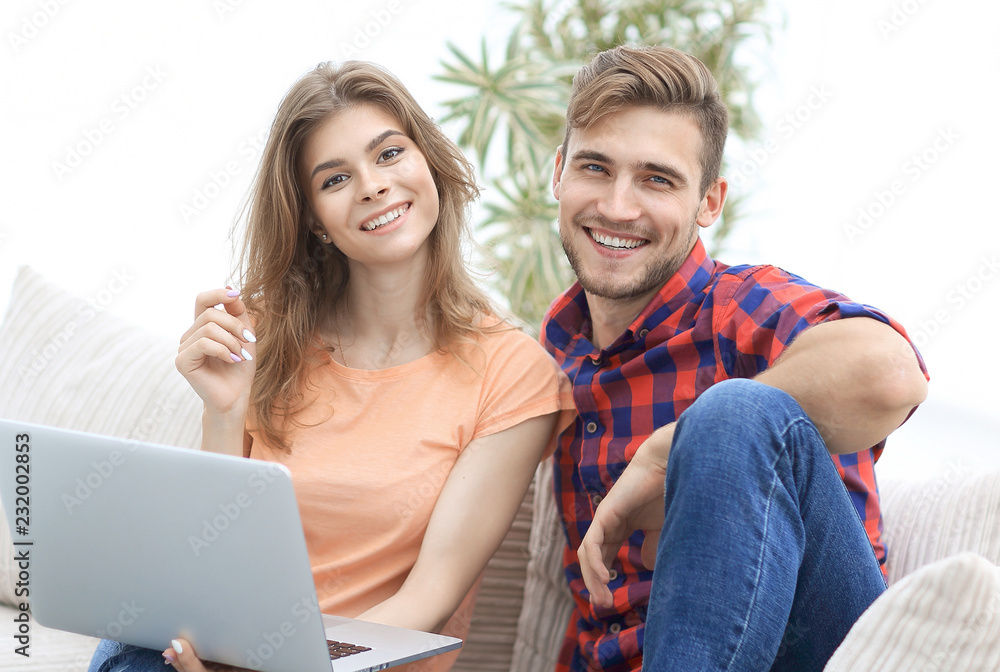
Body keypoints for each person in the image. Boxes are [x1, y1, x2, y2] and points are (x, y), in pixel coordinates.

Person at [88, 60, 571, 672]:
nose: (372, 185)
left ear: (429, 165)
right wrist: (224, 409)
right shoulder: (263, 334)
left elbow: (428, 599)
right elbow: (210, 558)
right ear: (314, 218)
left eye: (390, 154)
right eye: (336, 178)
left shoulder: (513, 373)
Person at [541, 45, 929, 672]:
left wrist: (677, 447)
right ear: (558, 173)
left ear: (709, 203)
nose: (617, 206)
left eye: (656, 179)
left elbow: (889, 374)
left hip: (810, 650)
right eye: (594, 168)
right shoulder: (556, 347)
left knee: (735, 414)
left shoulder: (739, 307)